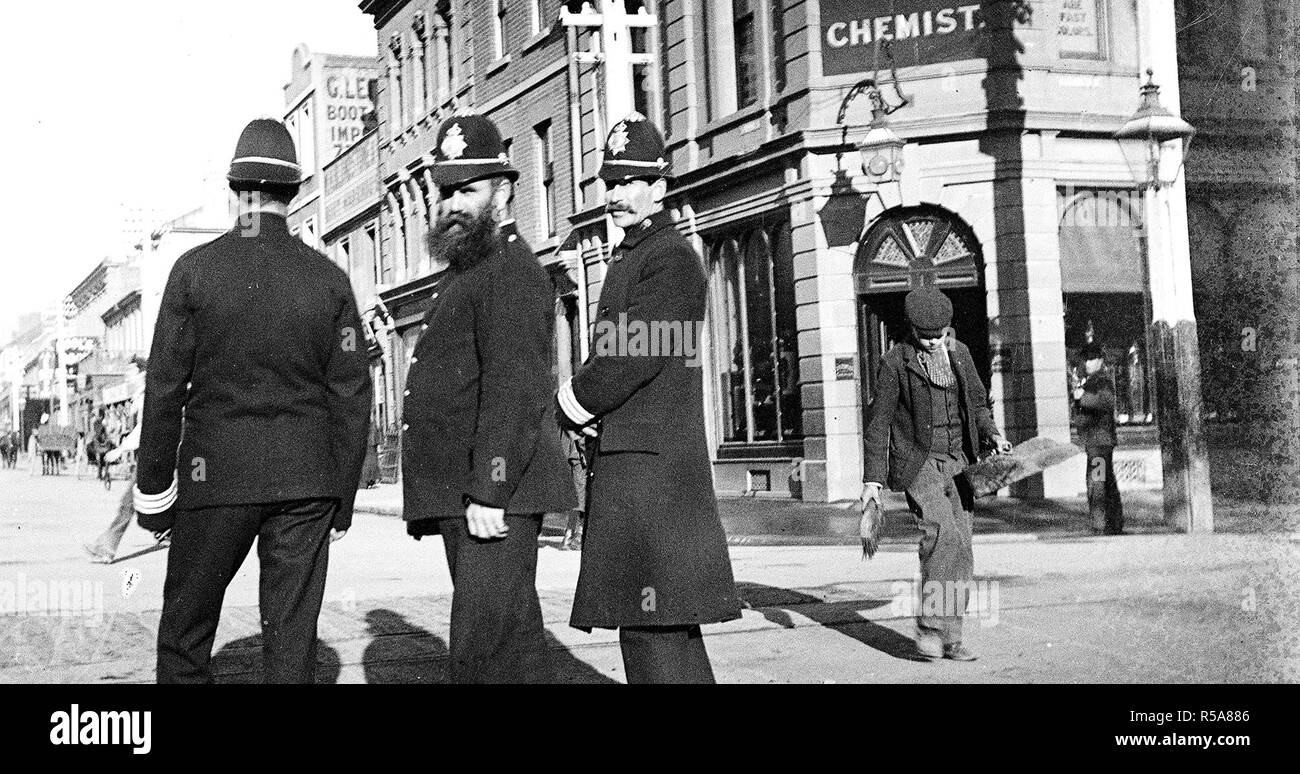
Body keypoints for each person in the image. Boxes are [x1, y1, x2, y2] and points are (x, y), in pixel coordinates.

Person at [134, 118, 372, 683]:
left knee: (186, 636)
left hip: (213, 478)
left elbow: (165, 388)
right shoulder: (330, 281)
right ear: (292, 192)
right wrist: (341, 496)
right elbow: (352, 392)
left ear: (235, 190)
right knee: (292, 643)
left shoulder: (193, 272)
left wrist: (154, 495)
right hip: (306, 483)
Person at [557, 112, 741, 683]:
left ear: (658, 187)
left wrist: (572, 404)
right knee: (668, 631)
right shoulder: (638, 256)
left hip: (652, 477)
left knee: (650, 630)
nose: (613, 196)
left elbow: (633, 355)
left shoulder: (666, 258)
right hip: (644, 465)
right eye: (608, 183)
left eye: (625, 183)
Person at [400, 110, 576, 684]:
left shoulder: (509, 270)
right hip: (473, 493)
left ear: (501, 194)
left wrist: (489, 491)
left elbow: (516, 389)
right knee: (514, 651)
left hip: (493, 495)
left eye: (466, 191)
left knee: (483, 658)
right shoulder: (474, 268)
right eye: (444, 191)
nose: (452, 204)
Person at [861, 287, 1012, 662]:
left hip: (959, 462)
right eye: (925, 337)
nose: (933, 343)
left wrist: (993, 434)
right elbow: (879, 423)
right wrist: (873, 482)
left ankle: (952, 637)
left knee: (961, 547)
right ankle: (930, 626)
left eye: (940, 335)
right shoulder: (895, 362)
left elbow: (977, 402)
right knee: (941, 534)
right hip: (919, 462)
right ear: (912, 330)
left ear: (948, 329)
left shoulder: (959, 354)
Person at [1073, 342, 1123, 535]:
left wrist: (1082, 397)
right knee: (1105, 482)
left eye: (1092, 359)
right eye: (1086, 359)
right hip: (1099, 443)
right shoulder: (1095, 380)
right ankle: (1113, 524)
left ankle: (1100, 524)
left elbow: (1106, 401)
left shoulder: (1101, 381)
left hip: (1099, 444)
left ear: (1100, 361)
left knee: (1097, 483)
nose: (1088, 363)